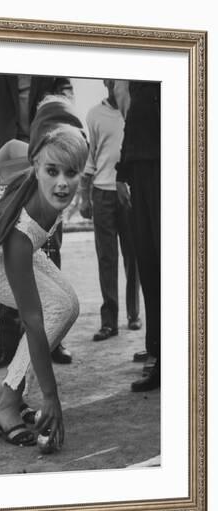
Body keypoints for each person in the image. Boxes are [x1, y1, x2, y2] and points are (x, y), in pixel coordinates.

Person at [0, 95, 88, 448]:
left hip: (1, 236)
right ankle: (7, 403)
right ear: (37, 164)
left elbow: (10, 146)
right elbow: (33, 320)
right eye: (52, 172)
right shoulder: (22, 231)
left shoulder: (44, 153)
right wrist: (51, 396)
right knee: (52, 310)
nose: (61, 183)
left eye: (71, 173)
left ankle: (7, 392)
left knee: (68, 305)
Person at [0, 73, 74, 371]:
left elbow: (65, 102)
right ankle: (7, 344)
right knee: (8, 248)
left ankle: (53, 339)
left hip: (48, 161)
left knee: (49, 248)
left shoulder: (53, 61)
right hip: (7, 166)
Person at [79, 79, 141, 341]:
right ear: (105, 81)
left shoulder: (135, 110)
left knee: (133, 257)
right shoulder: (94, 115)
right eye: (111, 77)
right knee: (106, 258)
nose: (116, 82)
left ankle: (134, 315)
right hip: (102, 192)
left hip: (128, 192)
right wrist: (84, 197)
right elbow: (90, 157)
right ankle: (109, 322)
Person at [115, 80, 161, 392]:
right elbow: (133, 119)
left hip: (176, 164)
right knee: (149, 264)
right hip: (140, 171)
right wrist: (121, 173)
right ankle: (159, 355)